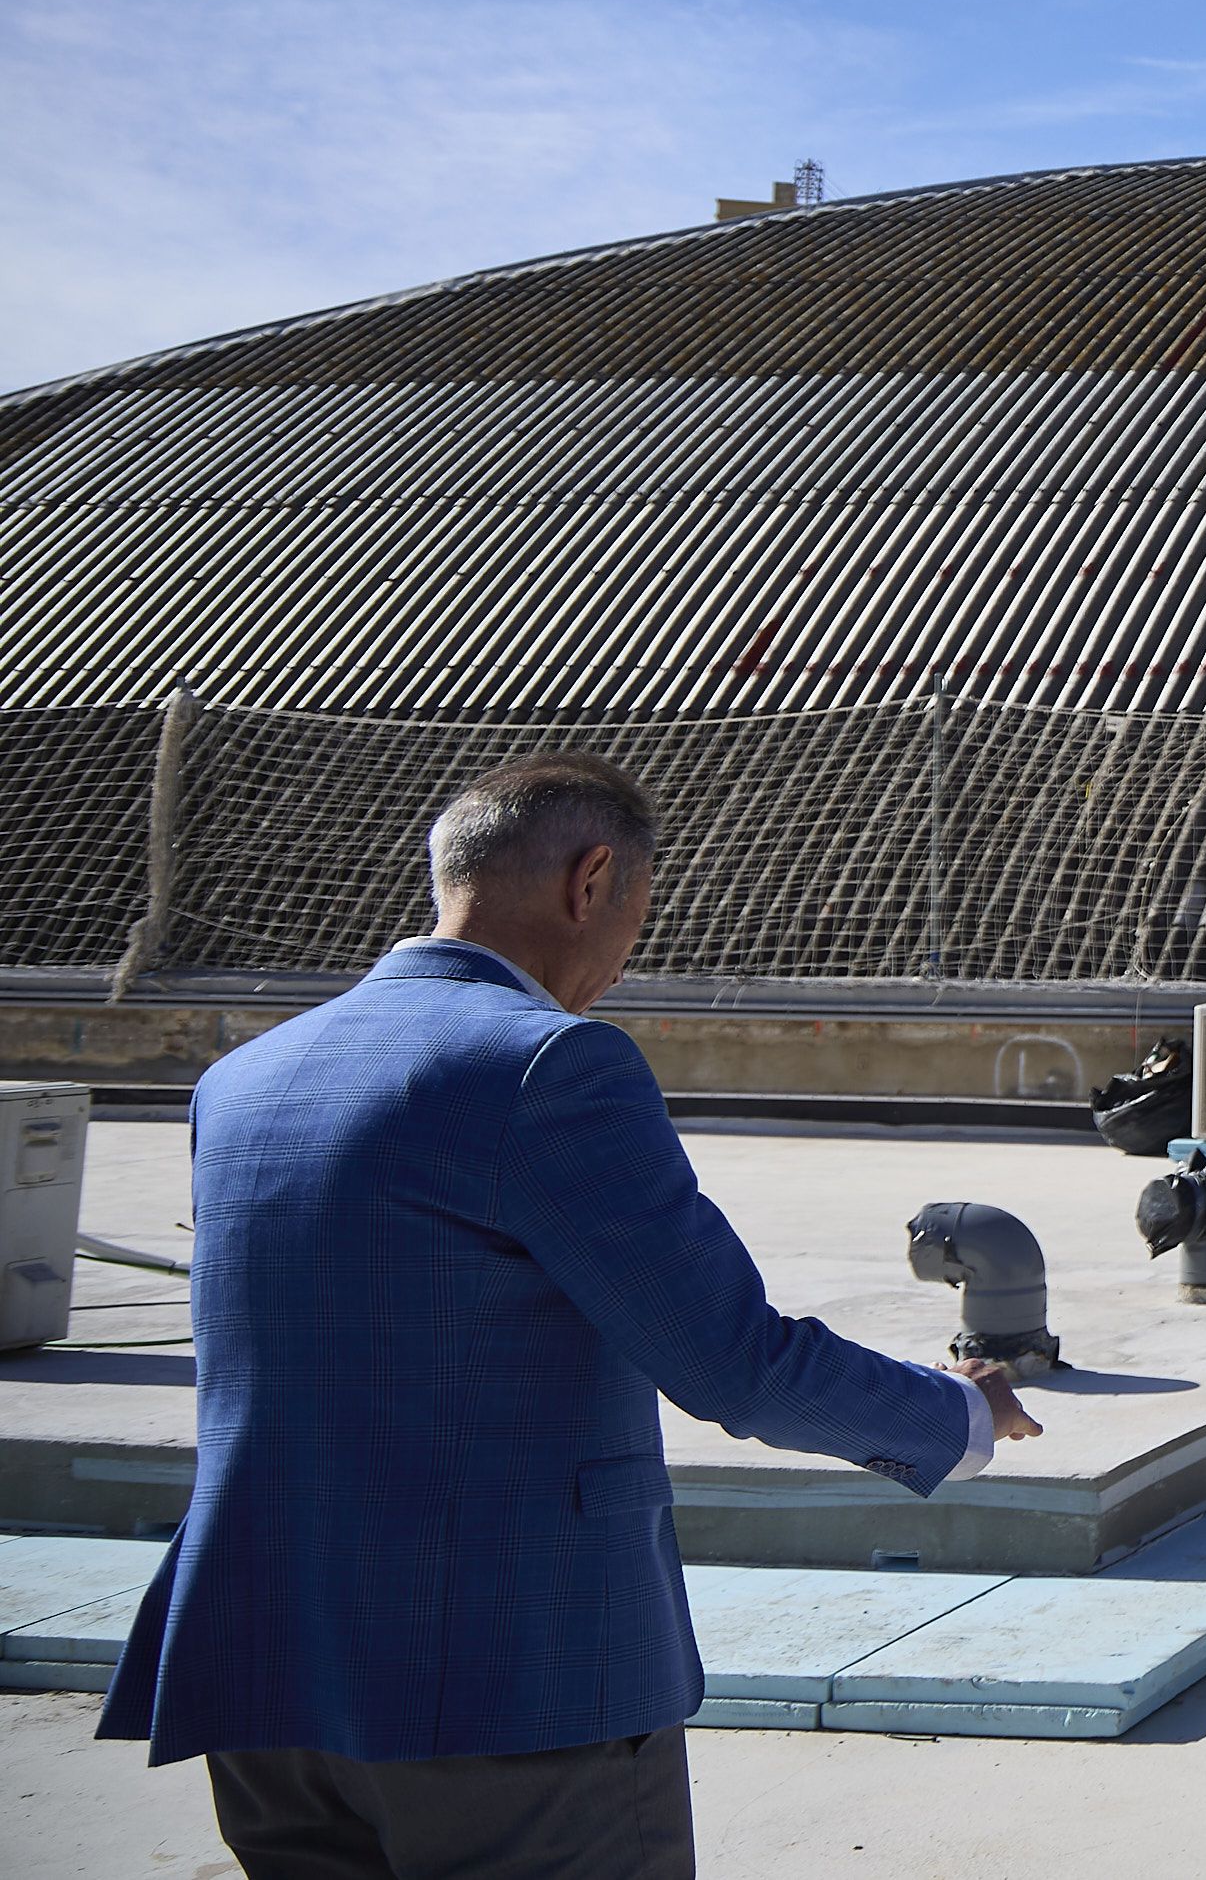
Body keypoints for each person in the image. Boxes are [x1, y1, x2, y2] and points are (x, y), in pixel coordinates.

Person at [100, 752, 1043, 1879]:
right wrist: (957, 1416)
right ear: (592, 880)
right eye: (638, 911)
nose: (627, 953)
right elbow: (731, 1360)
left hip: (257, 1665)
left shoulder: (246, 1077)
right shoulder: (548, 1064)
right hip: (501, 1682)